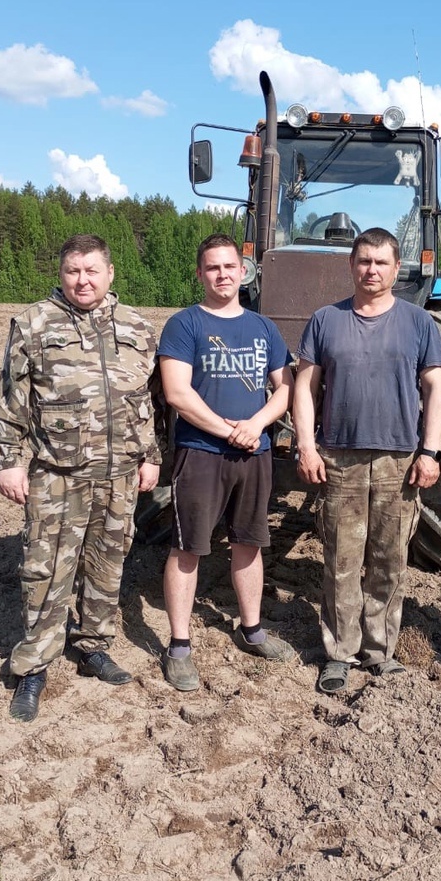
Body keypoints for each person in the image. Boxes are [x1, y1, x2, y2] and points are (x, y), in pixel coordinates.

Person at [0, 233, 162, 722]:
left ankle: (92, 647)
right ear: (61, 275)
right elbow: (10, 399)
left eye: (91, 270)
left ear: (110, 274)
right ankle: (33, 666)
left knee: (107, 566)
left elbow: (144, 404)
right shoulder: (33, 324)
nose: (82, 280)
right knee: (46, 573)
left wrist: (150, 456)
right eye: (73, 271)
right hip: (58, 474)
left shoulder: (136, 326)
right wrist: (8, 460)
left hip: (121, 474)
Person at [293, 227, 441, 694]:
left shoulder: (419, 323)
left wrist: (431, 450)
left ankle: (380, 652)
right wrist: (305, 444)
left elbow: (435, 388)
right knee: (341, 559)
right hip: (340, 457)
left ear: (396, 269)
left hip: (399, 459)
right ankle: (340, 653)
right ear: (351, 265)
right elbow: (305, 387)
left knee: (388, 560)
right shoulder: (325, 320)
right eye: (364, 261)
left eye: (381, 263)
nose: (372, 270)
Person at [158, 233, 296, 692]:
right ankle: (179, 645)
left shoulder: (264, 328)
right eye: (212, 267)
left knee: (249, 543)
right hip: (201, 454)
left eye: (229, 266)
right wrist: (230, 429)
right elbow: (178, 393)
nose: (222, 274)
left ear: (243, 271)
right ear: (200, 274)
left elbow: (285, 387)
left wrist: (255, 425)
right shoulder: (184, 325)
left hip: (253, 454)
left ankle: (251, 629)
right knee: (188, 547)